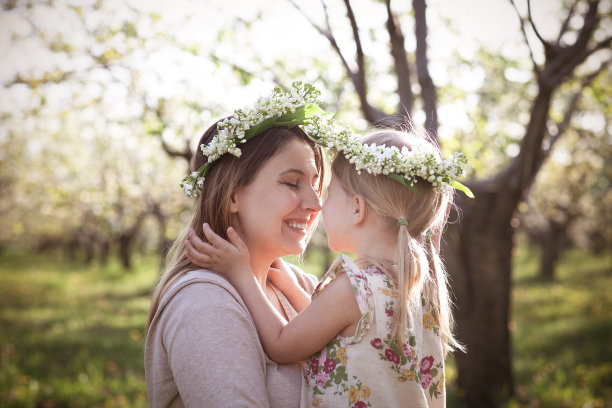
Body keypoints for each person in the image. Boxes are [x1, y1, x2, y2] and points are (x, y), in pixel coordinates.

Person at [186, 128, 473, 407]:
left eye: (331, 195)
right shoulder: (412, 286)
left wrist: (241, 274)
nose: (318, 205)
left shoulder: (355, 286)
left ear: (357, 209)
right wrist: (289, 285)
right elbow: (330, 327)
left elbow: (283, 344)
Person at [145, 82, 348, 407]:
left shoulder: (302, 288)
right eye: (292, 183)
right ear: (234, 194)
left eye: (314, 184)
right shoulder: (205, 303)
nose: (315, 203)